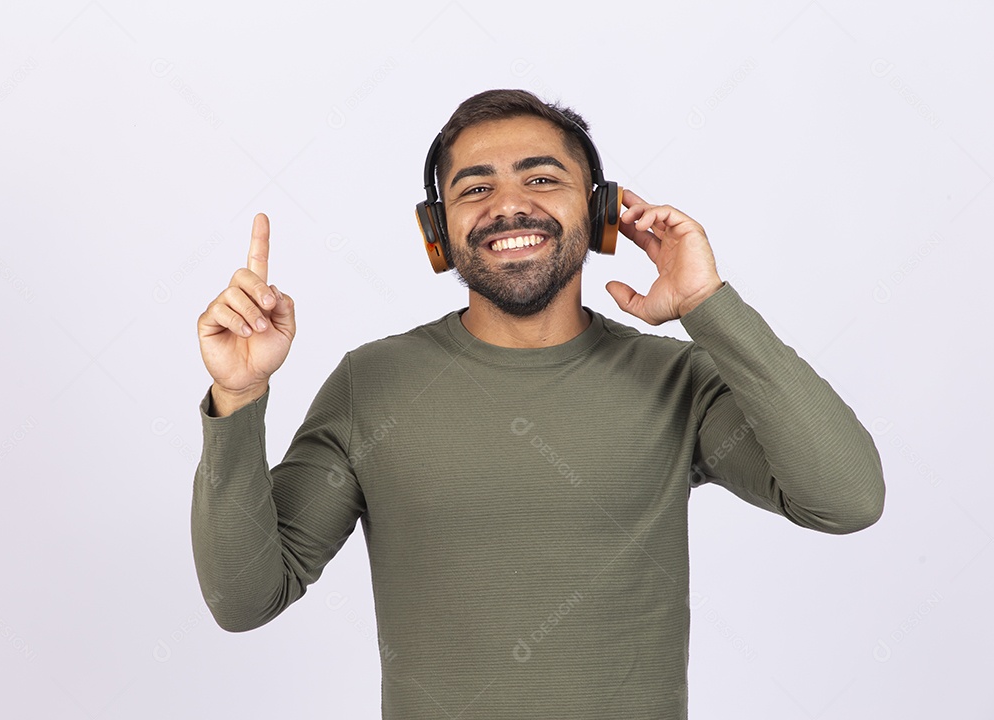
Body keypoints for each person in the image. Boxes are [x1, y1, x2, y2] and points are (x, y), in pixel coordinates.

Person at [191, 88, 885, 719]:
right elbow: (245, 599)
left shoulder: (678, 379)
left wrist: (708, 304)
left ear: (602, 213)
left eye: (543, 178)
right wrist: (239, 395)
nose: (507, 205)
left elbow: (846, 499)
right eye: (475, 188)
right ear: (438, 231)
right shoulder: (370, 384)